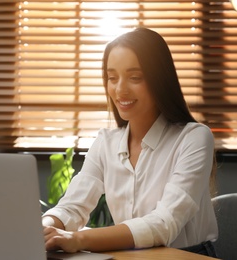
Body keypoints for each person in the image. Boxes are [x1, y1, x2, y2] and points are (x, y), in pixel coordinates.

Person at [42, 27, 218, 257]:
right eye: (112, 78)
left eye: (135, 77)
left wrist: (78, 238)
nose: (120, 89)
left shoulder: (193, 137)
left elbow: (164, 224)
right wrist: (46, 226)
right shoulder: (106, 143)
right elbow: (72, 206)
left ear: (159, 80)